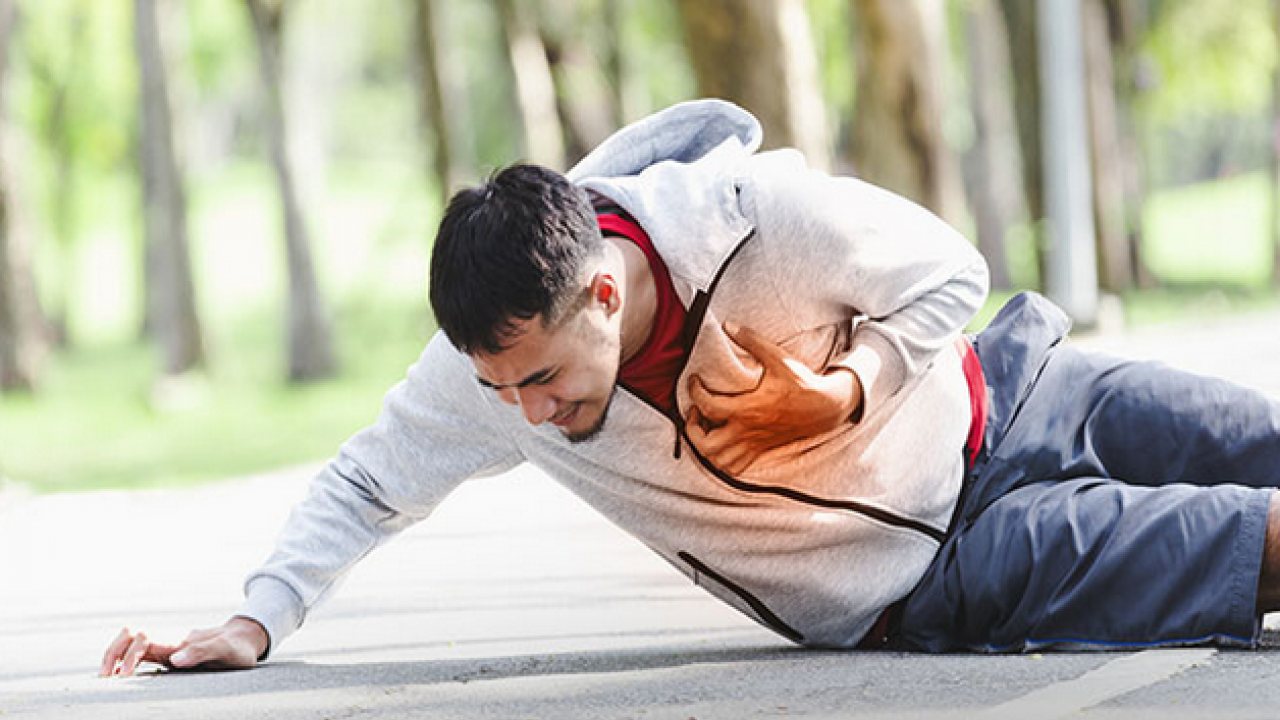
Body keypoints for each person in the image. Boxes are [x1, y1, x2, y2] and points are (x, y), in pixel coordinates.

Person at [101, 99, 1280, 677]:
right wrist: (256, 618)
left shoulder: (756, 219)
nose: (527, 414)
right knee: (1257, 542)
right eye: (499, 391)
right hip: (937, 572)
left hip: (1011, 392)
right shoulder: (488, 372)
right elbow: (368, 482)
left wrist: (847, 391)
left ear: (601, 293)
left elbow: (949, 273)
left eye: (541, 379)